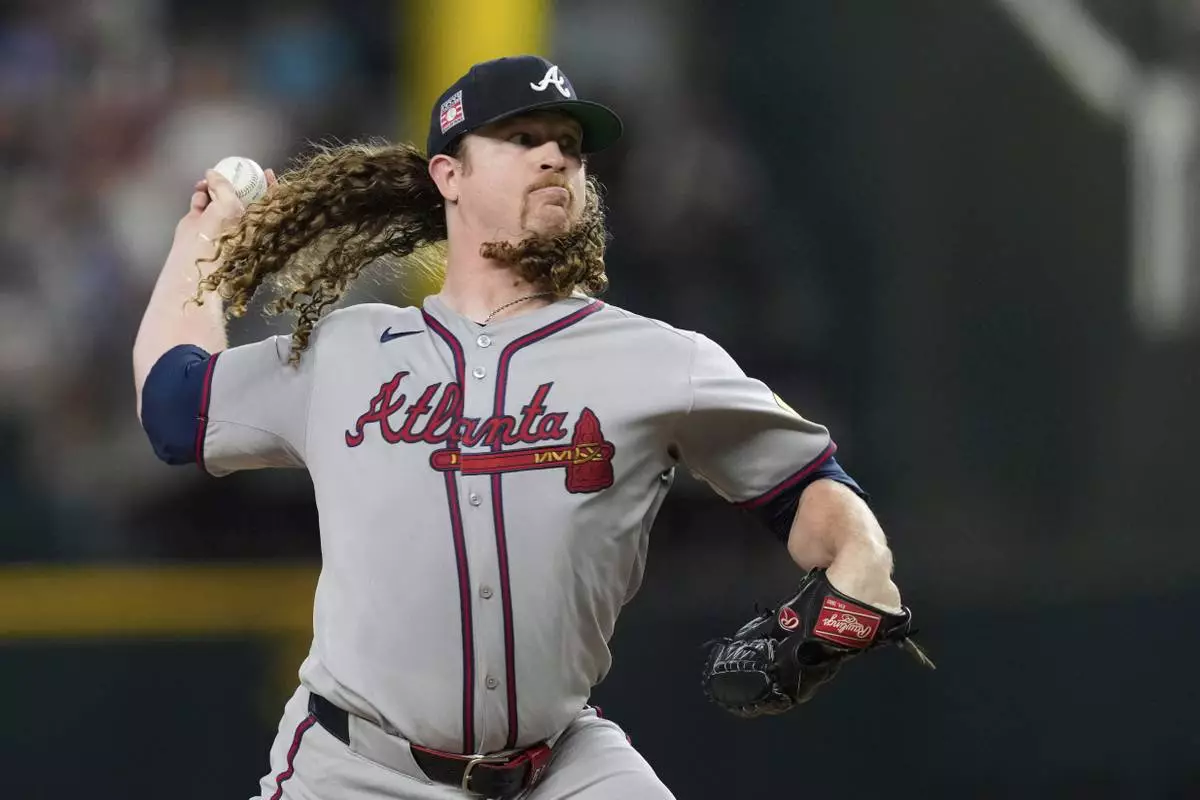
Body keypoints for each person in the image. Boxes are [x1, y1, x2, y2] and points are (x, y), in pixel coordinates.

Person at [132, 55, 906, 800]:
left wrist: (861, 564)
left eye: (569, 145)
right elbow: (173, 406)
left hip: (559, 766)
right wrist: (202, 241)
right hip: (355, 771)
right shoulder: (347, 352)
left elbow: (808, 487)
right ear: (450, 175)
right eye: (521, 137)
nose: (555, 157)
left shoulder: (658, 361)